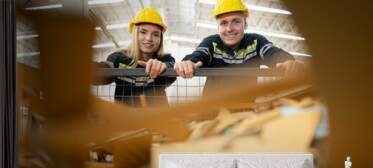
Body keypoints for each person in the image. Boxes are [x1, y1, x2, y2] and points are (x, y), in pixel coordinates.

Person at [174, 0, 304, 96]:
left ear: (245, 24)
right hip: (210, 114)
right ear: (218, 28)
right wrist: (189, 62)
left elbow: (271, 52)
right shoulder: (211, 42)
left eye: (236, 21)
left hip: (244, 113)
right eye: (223, 23)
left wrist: (286, 61)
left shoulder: (256, 41)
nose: (229, 28)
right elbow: (199, 54)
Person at [106, 7, 175, 106]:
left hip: (159, 120)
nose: (149, 38)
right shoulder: (119, 58)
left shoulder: (165, 59)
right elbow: (105, 69)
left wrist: (163, 67)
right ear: (135, 34)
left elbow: (173, 68)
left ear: (160, 38)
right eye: (143, 32)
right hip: (126, 120)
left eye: (155, 34)